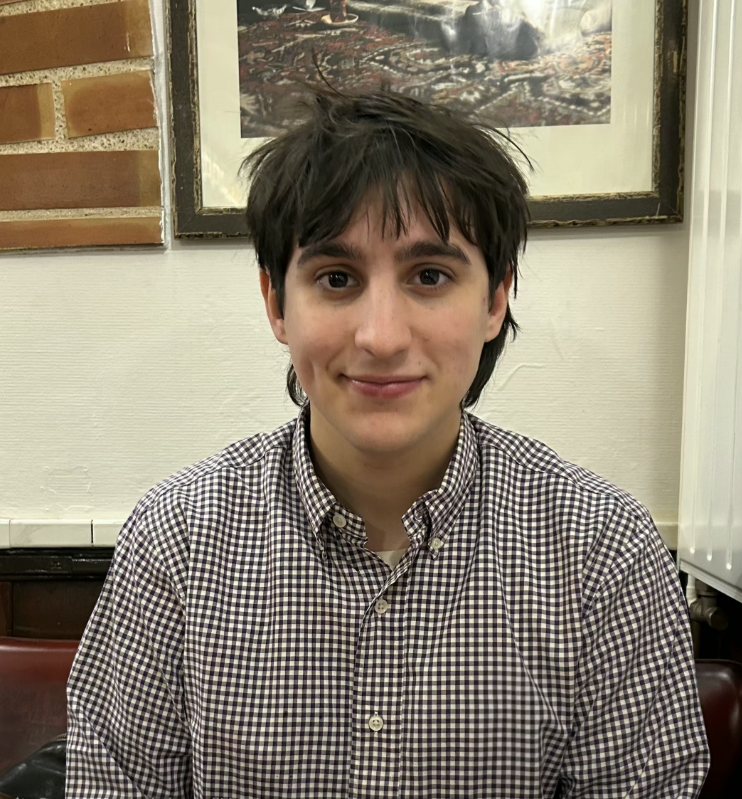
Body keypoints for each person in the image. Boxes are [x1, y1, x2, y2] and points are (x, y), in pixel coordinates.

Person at [66, 87, 709, 797]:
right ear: (277, 304)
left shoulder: (601, 549)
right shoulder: (177, 541)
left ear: (495, 299)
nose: (380, 336)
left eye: (429, 276)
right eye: (336, 278)